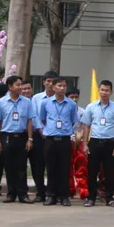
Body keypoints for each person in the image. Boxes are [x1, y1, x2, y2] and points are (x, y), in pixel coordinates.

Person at [80, 80, 114, 207]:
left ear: (111, 92)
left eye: (107, 90)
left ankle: (109, 198)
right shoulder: (91, 107)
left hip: (109, 143)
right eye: (102, 90)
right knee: (92, 172)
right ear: (99, 90)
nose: (104, 93)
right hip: (94, 142)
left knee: (110, 172)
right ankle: (91, 198)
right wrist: (84, 144)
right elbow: (86, 126)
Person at [0, 75, 34, 203]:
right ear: (10, 87)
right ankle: (11, 193)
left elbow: (29, 121)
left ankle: (23, 194)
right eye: (17, 85)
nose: (20, 87)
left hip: (21, 137)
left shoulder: (27, 102)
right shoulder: (1, 103)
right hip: (6, 137)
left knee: (21, 167)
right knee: (9, 167)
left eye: (21, 84)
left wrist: (30, 139)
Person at [38, 77, 77, 206]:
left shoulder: (71, 104)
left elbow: (73, 120)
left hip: (64, 139)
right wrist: (46, 132)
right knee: (51, 168)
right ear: (53, 87)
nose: (62, 88)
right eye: (59, 86)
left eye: (64, 86)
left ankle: (64, 196)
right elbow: (42, 119)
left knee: (64, 169)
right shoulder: (46, 103)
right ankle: (51, 195)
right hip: (50, 139)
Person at [30, 71, 57, 202]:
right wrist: (41, 130)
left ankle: (53, 193)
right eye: (48, 81)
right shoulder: (36, 98)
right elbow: (34, 116)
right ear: (44, 82)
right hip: (39, 136)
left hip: (54, 136)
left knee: (53, 165)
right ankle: (40, 192)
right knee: (38, 165)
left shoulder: (60, 98)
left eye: (53, 81)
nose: (50, 84)